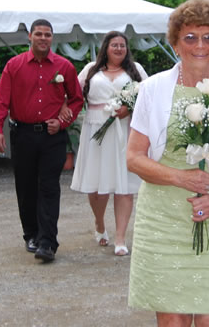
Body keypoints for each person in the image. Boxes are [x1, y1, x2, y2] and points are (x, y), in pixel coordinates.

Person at [126, 0, 209, 326]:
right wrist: (180, 177)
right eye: (190, 37)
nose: (200, 45)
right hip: (163, 219)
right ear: (174, 41)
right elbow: (133, 158)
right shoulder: (153, 89)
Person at [0, 19, 84, 263]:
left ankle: (47, 242)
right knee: (26, 187)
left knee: (49, 188)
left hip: (53, 136)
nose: (43, 38)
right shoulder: (14, 65)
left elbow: (76, 99)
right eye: (39, 34)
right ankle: (30, 234)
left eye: (48, 35)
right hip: (23, 135)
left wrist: (63, 121)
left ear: (52, 38)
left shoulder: (64, 67)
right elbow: (1, 100)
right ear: (30, 37)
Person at [71, 31, 148, 256]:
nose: (118, 49)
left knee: (123, 185)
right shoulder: (91, 70)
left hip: (125, 131)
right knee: (96, 186)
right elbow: (74, 95)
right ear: (106, 47)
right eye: (114, 45)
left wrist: (130, 108)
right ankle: (99, 222)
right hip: (96, 129)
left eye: (122, 45)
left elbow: (147, 97)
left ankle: (121, 237)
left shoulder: (136, 70)